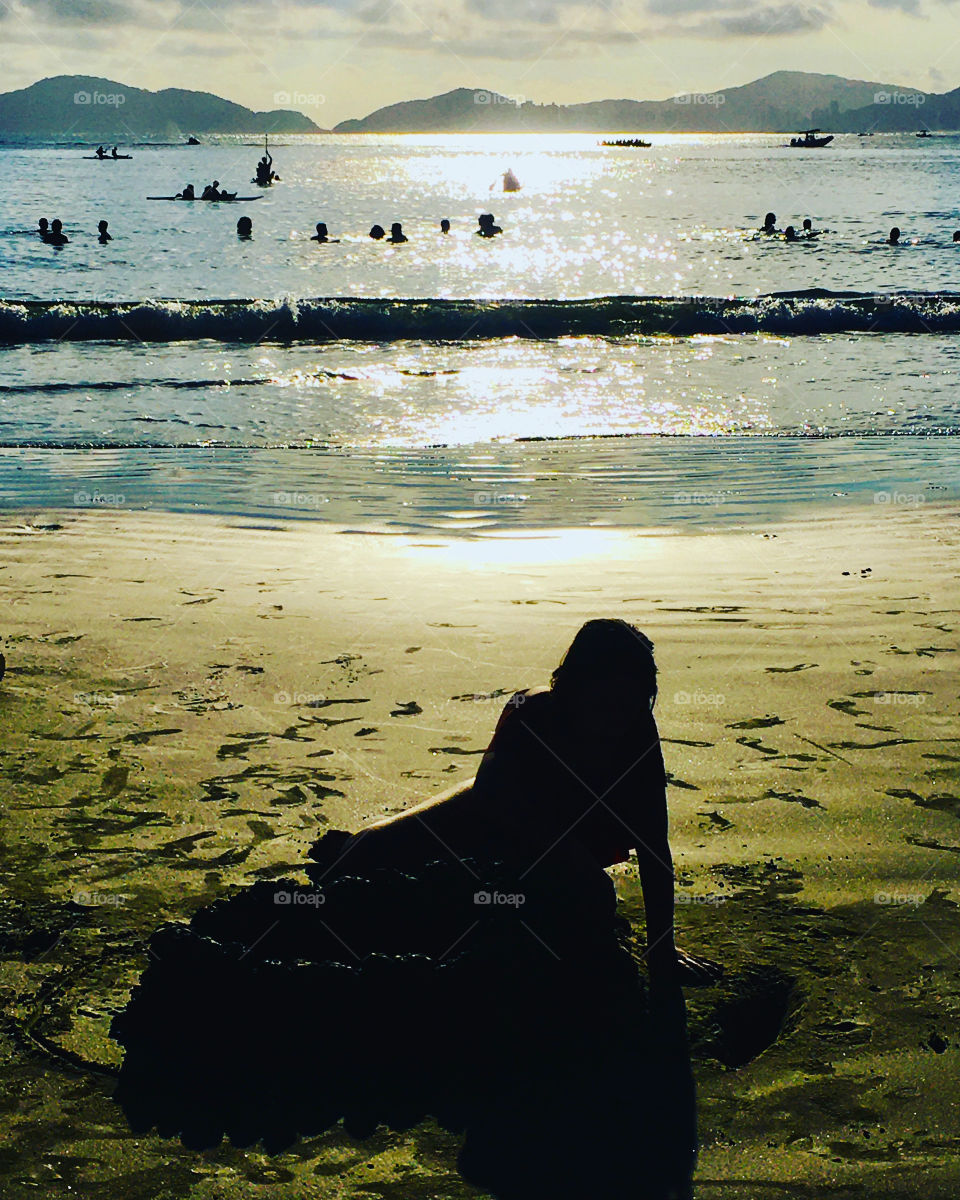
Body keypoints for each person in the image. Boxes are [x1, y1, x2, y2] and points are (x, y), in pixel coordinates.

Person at [110, 618, 704, 1189]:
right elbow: (495, 803)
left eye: (633, 706)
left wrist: (661, 949)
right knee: (376, 855)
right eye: (605, 705)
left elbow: (653, 847)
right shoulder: (531, 713)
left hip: (583, 833)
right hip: (502, 816)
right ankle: (356, 848)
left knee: (583, 896)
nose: (617, 721)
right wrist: (563, 861)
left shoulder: (635, 732)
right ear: (570, 687)